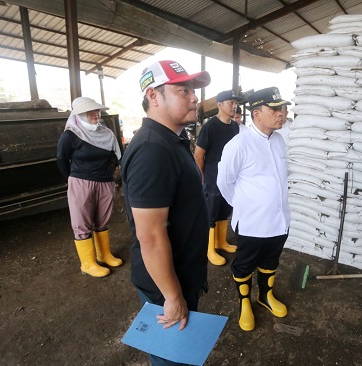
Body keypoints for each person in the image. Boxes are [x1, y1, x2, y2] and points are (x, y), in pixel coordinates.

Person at [121, 60, 211, 366]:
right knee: (172, 359)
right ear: (153, 96)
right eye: (183, 90)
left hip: (180, 273)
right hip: (165, 285)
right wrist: (173, 298)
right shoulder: (152, 151)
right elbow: (151, 236)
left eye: (193, 90)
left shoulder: (173, 140)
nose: (195, 97)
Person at [217, 87, 291, 331]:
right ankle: (245, 303)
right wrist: (245, 205)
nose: (282, 113)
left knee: (271, 261)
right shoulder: (238, 144)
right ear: (257, 114)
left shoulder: (279, 140)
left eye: (283, 108)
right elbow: (224, 182)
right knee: (244, 265)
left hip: (279, 221)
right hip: (251, 224)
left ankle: (265, 296)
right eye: (276, 109)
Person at [56, 97, 122, 278]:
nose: (96, 114)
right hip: (81, 182)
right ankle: (88, 263)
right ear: (79, 115)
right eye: (90, 112)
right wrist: (74, 178)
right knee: (82, 223)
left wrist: (108, 175)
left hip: (105, 181)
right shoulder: (70, 135)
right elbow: (62, 160)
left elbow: (114, 157)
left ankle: (104, 254)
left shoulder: (107, 133)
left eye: (97, 111)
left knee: (103, 220)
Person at [194, 90, 242, 266]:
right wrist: (203, 177)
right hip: (213, 178)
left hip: (229, 178)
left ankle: (221, 242)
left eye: (235, 103)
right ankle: (209, 249)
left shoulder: (235, 127)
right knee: (211, 214)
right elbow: (198, 155)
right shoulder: (210, 126)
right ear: (219, 105)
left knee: (224, 210)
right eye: (230, 103)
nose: (234, 106)